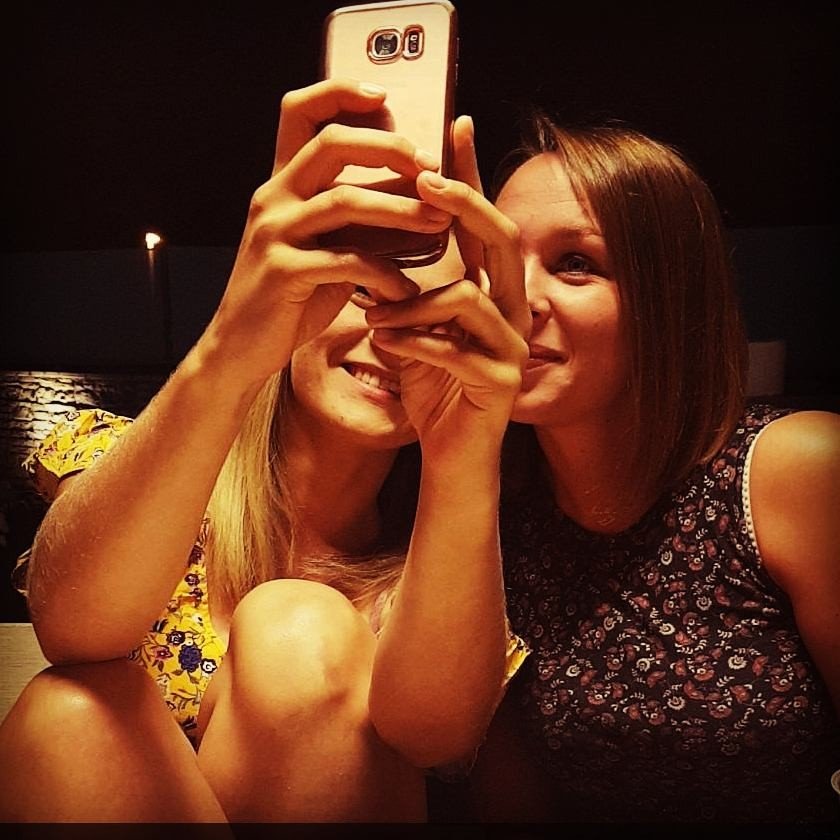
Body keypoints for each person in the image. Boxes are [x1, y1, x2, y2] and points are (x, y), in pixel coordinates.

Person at [0, 77, 530, 823]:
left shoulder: (446, 569)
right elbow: (72, 626)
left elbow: (436, 737)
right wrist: (231, 349)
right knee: (70, 713)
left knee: (297, 632)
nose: (391, 338)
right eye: (363, 288)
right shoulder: (144, 463)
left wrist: (465, 447)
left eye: (434, 315)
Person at [461, 114, 840, 825]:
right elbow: (504, 790)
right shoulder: (492, 512)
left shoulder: (794, 470)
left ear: (669, 297)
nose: (516, 299)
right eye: (495, 261)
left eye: (575, 263)